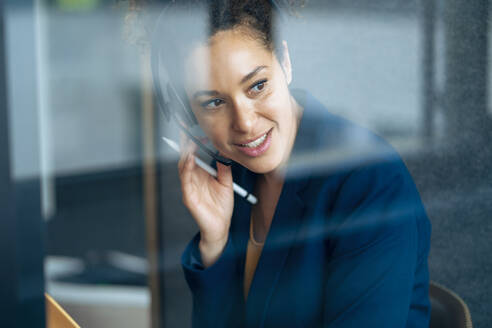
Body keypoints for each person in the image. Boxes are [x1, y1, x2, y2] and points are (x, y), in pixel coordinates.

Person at [151, 1, 432, 327]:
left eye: (257, 85)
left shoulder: (370, 181)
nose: (244, 123)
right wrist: (215, 243)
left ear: (284, 62)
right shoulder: (236, 177)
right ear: (190, 117)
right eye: (214, 102)